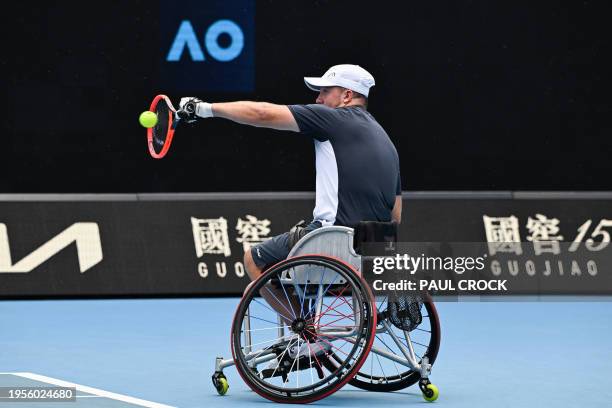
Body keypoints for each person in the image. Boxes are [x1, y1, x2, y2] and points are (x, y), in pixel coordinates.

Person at [180, 64, 401, 342]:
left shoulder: (332, 119)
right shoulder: (386, 141)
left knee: (254, 259)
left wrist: (205, 109)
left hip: (333, 242)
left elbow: (261, 114)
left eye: (324, 92)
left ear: (346, 96)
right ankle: (310, 327)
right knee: (298, 261)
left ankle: (310, 339)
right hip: (374, 252)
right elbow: (396, 214)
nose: (318, 100)